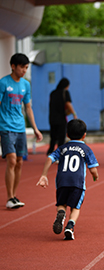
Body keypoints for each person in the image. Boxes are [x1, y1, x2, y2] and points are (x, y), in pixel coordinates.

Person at [36, 119, 99, 240]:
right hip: (77, 183)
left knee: (61, 203)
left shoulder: (62, 148)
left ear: (67, 134)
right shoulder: (86, 149)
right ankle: (70, 226)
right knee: (76, 207)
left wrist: (44, 175)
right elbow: (93, 169)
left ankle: (61, 214)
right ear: (84, 135)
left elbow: (49, 158)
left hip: (62, 181)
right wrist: (95, 176)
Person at [0, 53, 43, 209]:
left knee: (19, 162)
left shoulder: (25, 85)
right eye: (22, 67)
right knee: (11, 160)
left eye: (26, 68)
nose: (24, 70)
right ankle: (9, 197)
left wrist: (35, 129)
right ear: (13, 66)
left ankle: (14, 196)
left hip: (20, 128)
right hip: (6, 127)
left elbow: (28, 108)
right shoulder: (3, 83)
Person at [47, 78, 77, 155]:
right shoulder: (65, 92)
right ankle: (59, 153)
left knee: (53, 136)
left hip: (52, 118)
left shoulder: (52, 93)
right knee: (61, 137)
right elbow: (68, 103)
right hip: (61, 118)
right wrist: (74, 114)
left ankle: (50, 151)